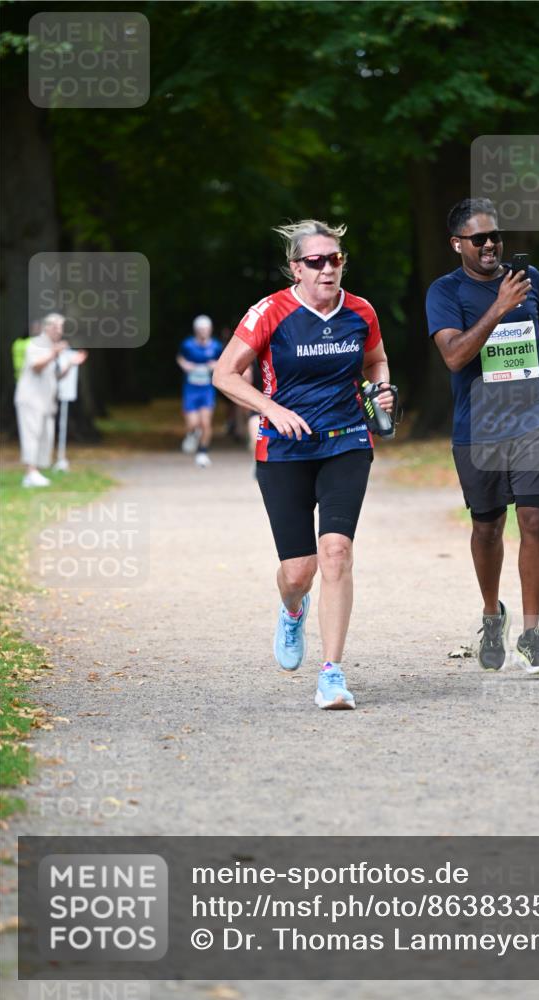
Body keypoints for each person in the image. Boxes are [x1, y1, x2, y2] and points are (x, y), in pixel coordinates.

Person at [213, 219, 393, 710]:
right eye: (316, 261)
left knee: (335, 552)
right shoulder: (270, 312)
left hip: (346, 442)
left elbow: (375, 360)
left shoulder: (360, 311)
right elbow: (225, 375)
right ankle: (293, 610)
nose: (328, 269)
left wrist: (379, 392)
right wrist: (270, 408)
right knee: (299, 571)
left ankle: (332, 674)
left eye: (335, 260)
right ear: (297, 268)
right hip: (284, 451)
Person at [426, 198, 539, 675]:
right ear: (458, 244)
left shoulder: (530, 280)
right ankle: (492, 613)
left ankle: (533, 635)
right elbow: (454, 356)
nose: (492, 244)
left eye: (496, 235)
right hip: (478, 426)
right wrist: (499, 307)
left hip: (533, 418)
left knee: (536, 521)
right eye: (479, 238)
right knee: (487, 526)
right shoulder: (444, 292)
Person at [14, 313, 87, 487]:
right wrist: (54, 353)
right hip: (30, 399)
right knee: (31, 434)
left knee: (45, 434)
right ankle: (30, 473)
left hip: (47, 400)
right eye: (58, 328)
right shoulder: (36, 344)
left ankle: (36, 472)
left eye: (61, 328)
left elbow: (56, 375)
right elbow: (36, 367)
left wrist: (71, 363)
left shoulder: (53, 348)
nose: (60, 332)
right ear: (48, 327)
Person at [176, 315, 223, 467]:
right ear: (196, 330)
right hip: (191, 388)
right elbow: (180, 358)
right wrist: (185, 365)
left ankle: (202, 452)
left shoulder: (216, 346)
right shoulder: (188, 345)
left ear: (210, 330)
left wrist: (215, 365)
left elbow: (223, 362)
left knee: (205, 423)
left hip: (207, 389)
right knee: (193, 423)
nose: (204, 332)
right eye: (201, 329)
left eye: (206, 329)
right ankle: (191, 434)